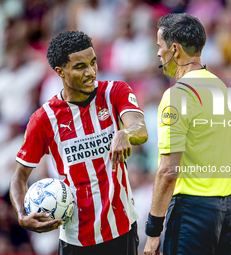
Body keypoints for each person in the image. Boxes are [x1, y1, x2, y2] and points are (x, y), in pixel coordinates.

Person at [9, 31, 148, 255]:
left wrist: (125, 134)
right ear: (60, 72)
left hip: (121, 229)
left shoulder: (115, 92)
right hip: (76, 239)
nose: (91, 72)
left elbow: (140, 129)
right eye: (80, 66)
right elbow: (19, 176)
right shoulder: (44, 119)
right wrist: (22, 215)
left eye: (93, 63)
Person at [144, 14, 231, 255]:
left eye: (159, 46)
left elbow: (167, 171)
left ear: (174, 50)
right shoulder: (219, 87)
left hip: (192, 212)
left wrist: (153, 232)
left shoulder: (177, 95)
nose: (158, 53)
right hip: (226, 210)